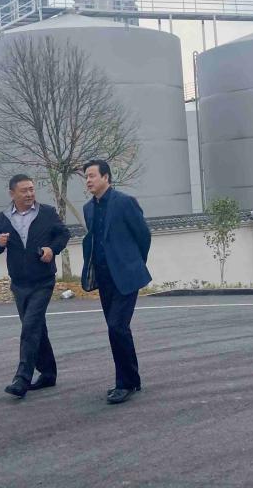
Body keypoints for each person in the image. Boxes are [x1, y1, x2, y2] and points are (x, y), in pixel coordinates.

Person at [0, 174, 71, 399]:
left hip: (43, 281)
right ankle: (48, 373)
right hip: (19, 284)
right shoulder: (3, 218)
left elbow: (64, 234)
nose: (29, 194)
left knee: (30, 326)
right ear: (12, 193)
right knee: (36, 327)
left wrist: (52, 249)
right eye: (24, 190)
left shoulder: (47, 213)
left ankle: (22, 378)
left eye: (32, 189)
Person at [81, 159, 152, 404]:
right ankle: (132, 379)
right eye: (86, 177)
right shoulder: (88, 209)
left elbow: (143, 235)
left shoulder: (125, 202)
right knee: (117, 330)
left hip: (126, 276)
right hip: (104, 278)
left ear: (106, 177)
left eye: (92, 175)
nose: (88, 181)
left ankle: (124, 384)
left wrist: (133, 263)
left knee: (117, 327)